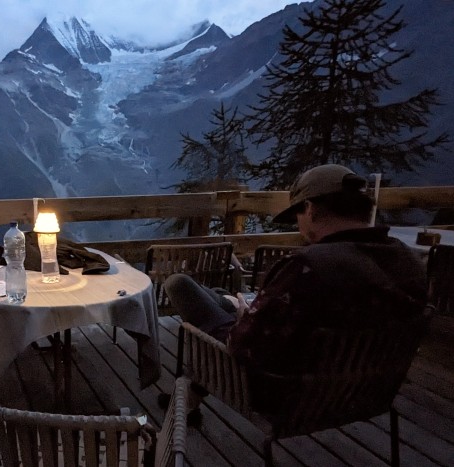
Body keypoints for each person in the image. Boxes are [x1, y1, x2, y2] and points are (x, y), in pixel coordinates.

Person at [164, 164, 428, 412]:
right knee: (222, 298)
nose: (300, 227)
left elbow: (242, 346)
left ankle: (189, 396)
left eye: (298, 215)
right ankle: (228, 302)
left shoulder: (306, 268)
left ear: (311, 209)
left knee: (180, 285)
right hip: (367, 391)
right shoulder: (411, 262)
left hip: (285, 394)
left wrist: (244, 318)